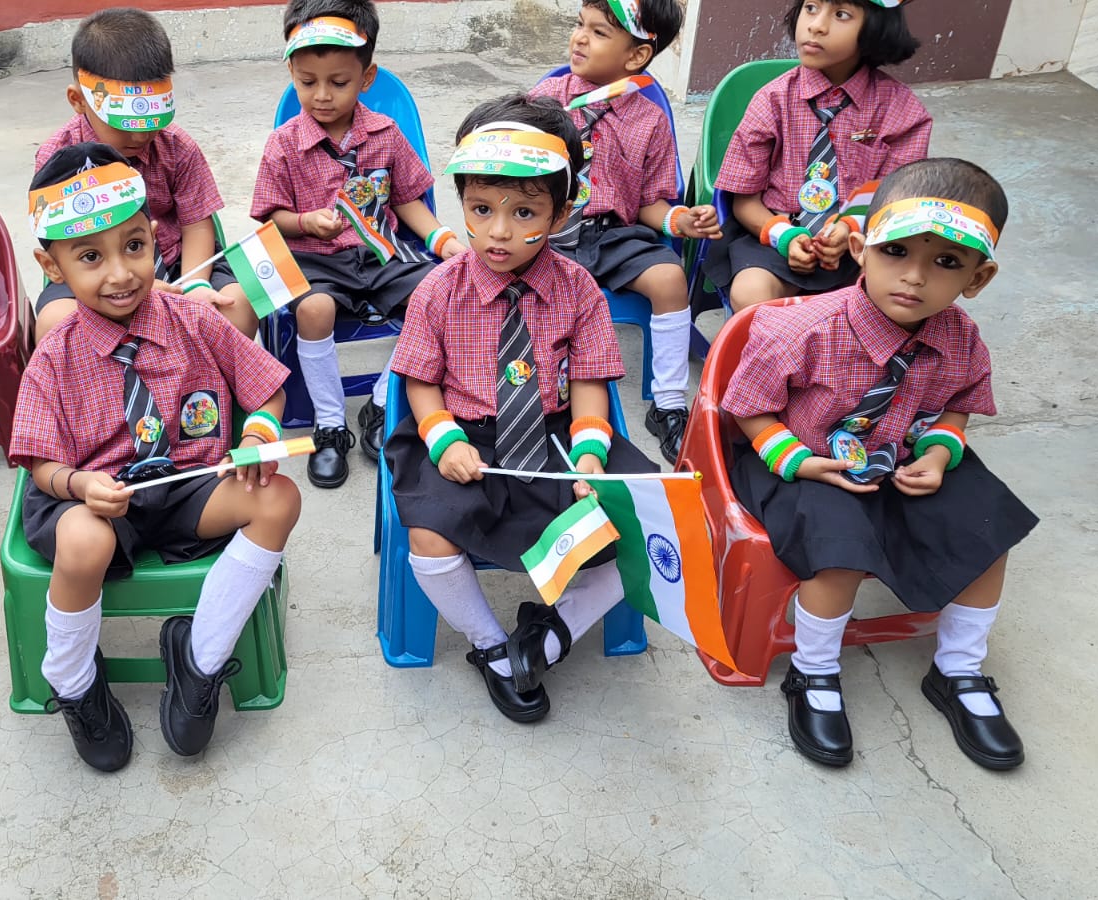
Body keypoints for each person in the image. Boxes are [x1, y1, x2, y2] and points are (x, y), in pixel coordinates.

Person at [722, 157, 1036, 770]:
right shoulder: (801, 328)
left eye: (947, 262)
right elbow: (747, 410)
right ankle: (814, 671)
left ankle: (959, 670)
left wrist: (940, 452)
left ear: (978, 277)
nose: (915, 277)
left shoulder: (961, 337)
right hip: (805, 458)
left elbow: (957, 405)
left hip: (904, 456)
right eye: (896, 251)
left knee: (987, 533)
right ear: (860, 249)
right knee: (838, 550)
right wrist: (797, 462)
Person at [13, 144, 302, 772]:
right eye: (91, 257)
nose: (121, 273)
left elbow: (265, 388)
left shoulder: (194, 319)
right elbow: (39, 465)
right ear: (52, 265)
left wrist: (258, 435)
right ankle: (75, 683)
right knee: (84, 541)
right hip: (91, 497)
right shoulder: (54, 353)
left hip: (187, 485)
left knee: (278, 498)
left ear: (154, 240)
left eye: (135, 246)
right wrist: (81, 484)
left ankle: (200, 658)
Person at [383, 95, 658, 723]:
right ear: (461, 203)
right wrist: (442, 439)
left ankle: (552, 631)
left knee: (649, 520)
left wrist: (590, 453)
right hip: (464, 439)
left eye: (525, 212)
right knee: (428, 534)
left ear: (562, 212)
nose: (499, 232)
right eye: (481, 209)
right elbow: (419, 382)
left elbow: (589, 380)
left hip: (556, 436)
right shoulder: (437, 290)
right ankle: (491, 646)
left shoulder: (579, 288)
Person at [252, 0, 467, 488]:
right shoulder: (284, 143)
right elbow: (270, 218)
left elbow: (408, 198)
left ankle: (383, 401)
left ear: (366, 78)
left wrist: (443, 239)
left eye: (338, 82)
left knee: (444, 293)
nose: (322, 95)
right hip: (315, 260)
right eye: (307, 82)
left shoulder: (385, 134)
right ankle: (330, 424)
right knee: (314, 310)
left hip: (380, 254)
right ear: (292, 74)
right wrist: (305, 221)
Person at [529, 0, 721, 460]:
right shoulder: (546, 99)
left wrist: (681, 220)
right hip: (548, 229)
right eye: (580, 25)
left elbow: (651, 202)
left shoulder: (649, 119)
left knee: (669, 278)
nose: (579, 37)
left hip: (612, 233)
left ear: (636, 55)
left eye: (598, 33)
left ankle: (669, 403)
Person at [32, 7, 255, 341]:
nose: (139, 136)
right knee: (55, 323)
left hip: (180, 265)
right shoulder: (57, 157)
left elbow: (197, 223)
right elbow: (60, 243)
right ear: (78, 100)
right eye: (123, 124)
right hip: (93, 275)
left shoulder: (178, 147)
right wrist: (140, 290)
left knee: (236, 306)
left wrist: (195, 284)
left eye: (152, 121)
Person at [708, 0, 930, 313]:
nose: (816, 25)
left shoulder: (902, 111)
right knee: (751, 292)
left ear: (876, 28)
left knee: (902, 298)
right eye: (811, 7)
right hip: (775, 233)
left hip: (865, 242)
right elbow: (744, 201)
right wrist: (786, 237)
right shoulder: (771, 100)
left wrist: (850, 226)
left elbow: (899, 198)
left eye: (841, 14)